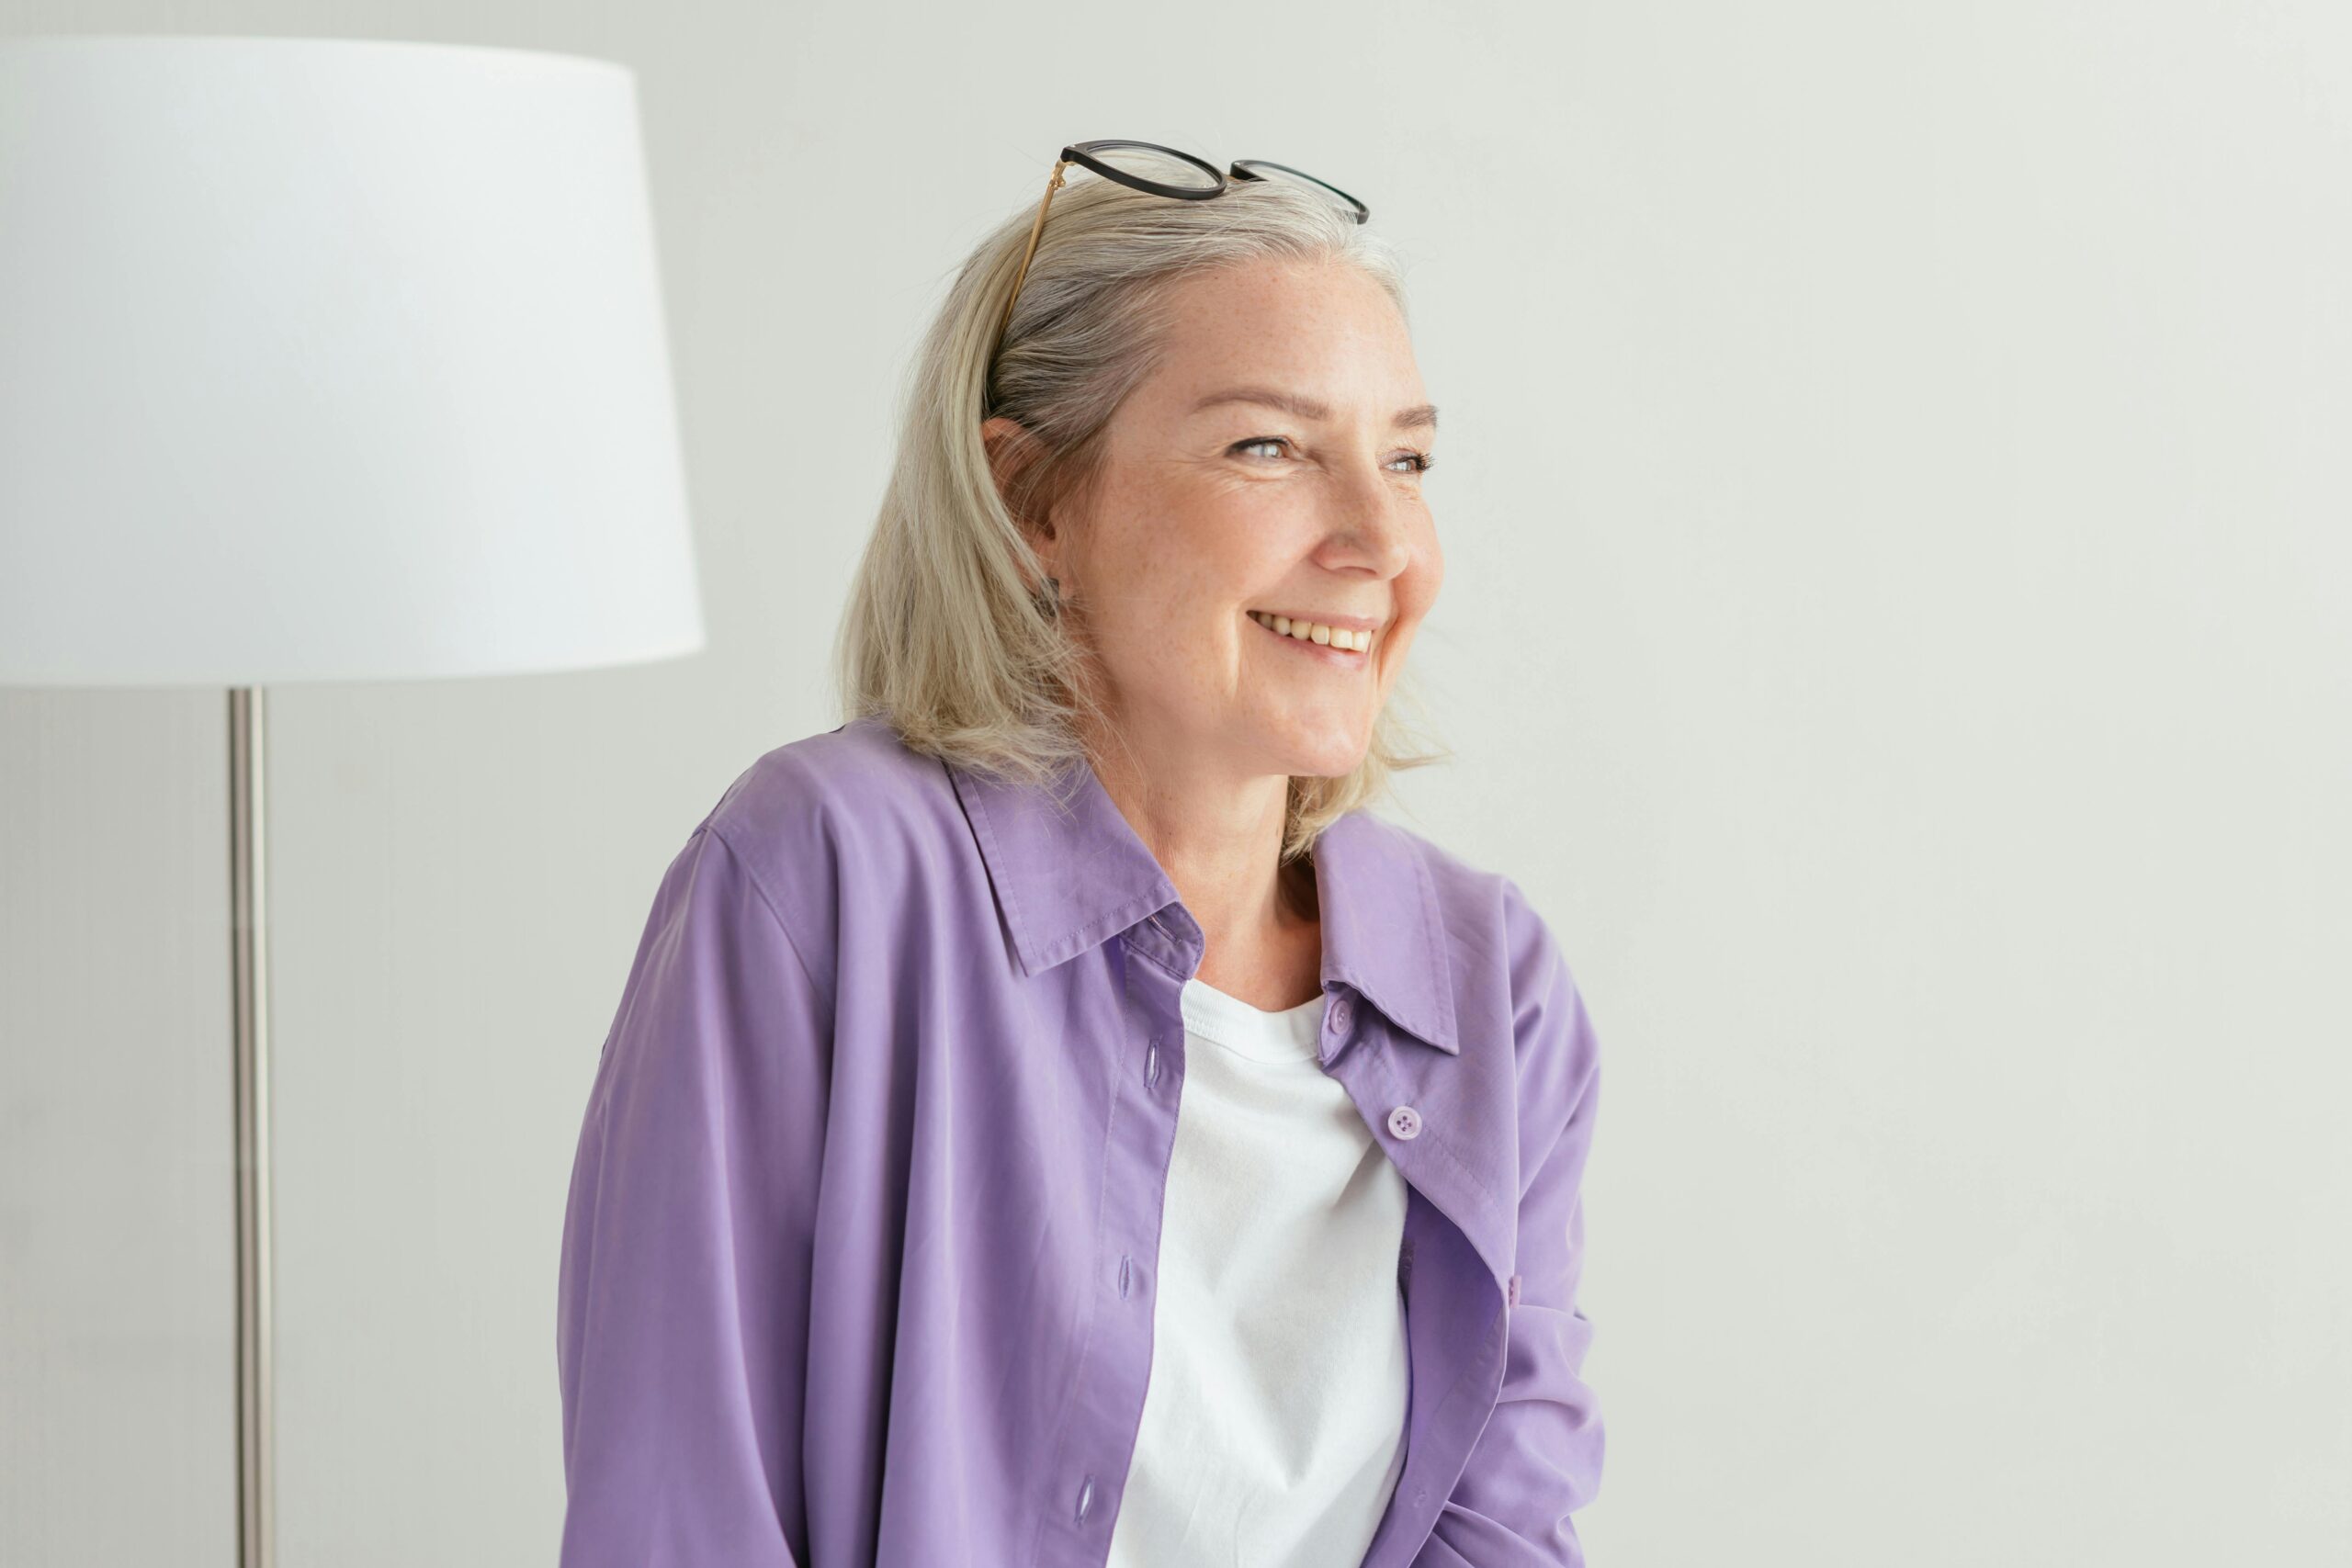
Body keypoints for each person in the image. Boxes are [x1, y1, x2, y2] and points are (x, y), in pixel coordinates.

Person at [554, 143, 1606, 1568]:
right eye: (1270, 448)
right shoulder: (826, 878)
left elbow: (1505, 1526)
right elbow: (682, 1514)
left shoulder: (1492, 987)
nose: (1380, 540)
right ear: (1036, 502)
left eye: (1406, 458)